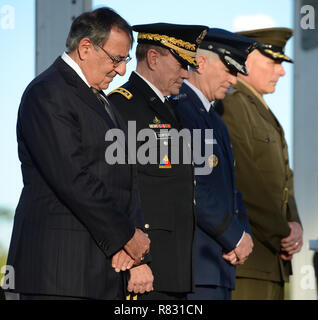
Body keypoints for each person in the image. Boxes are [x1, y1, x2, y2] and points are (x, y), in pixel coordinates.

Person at [5, 7, 151, 300]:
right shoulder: (47, 93)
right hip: (59, 272)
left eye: (126, 60)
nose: (122, 70)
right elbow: (73, 178)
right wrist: (126, 236)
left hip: (104, 270)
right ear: (85, 47)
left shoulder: (104, 103)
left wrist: (134, 247)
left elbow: (127, 178)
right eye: (117, 59)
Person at [108, 23, 208, 300]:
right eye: (180, 64)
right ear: (153, 58)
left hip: (173, 270)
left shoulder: (172, 110)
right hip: (143, 272)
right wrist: (137, 260)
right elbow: (116, 190)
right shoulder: (121, 106)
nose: (186, 74)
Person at [215, 27, 303, 300]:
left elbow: (283, 180)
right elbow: (244, 179)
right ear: (246, 58)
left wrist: (295, 223)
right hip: (248, 261)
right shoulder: (233, 104)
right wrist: (282, 229)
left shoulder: (261, 110)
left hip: (271, 259)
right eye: (274, 62)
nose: (281, 72)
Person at [170, 28, 255, 300]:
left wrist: (243, 235)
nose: (234, 79)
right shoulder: (178, 110)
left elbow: (230, 189)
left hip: (219, 265)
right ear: (201, 63)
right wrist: (234, 237)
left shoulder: (215, 120)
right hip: (196, 266)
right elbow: (191, 185)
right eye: (229, 69)